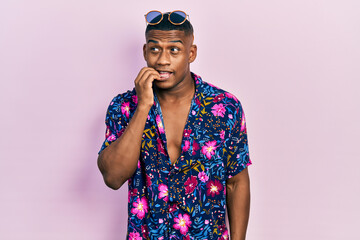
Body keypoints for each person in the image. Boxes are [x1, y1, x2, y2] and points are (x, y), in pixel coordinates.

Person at [97, 10, 252, 240]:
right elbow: (113, 177)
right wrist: (142, 106)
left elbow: (236, 183)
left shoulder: (225, 108)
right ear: (145, 52)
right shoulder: (124, 107)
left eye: (174, 50)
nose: (162, 60)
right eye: (155, 48)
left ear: (191, 53)